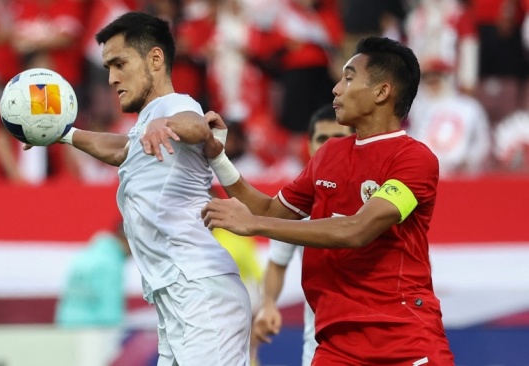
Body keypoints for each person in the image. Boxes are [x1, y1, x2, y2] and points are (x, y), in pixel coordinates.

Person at [201, 36, 455, 365]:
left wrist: (254, 225)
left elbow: (357, 230)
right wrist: (219, 158)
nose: (336, 89)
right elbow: (267, 209)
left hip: (402, 336)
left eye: (349, 78)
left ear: (382, 92)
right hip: (335, 344)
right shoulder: (329, 155)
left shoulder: (414, 159)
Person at [24, 11, 251, 365]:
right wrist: (61, 133)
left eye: (119, 64)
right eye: (107, 68)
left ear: (155, 59)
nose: (112, 78)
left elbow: (197, 126)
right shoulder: (147, 122)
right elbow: (121, 150)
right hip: (176, 295)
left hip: (199, 291)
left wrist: (168, 121)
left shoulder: (173, 106)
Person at [251, 104, 352, 366]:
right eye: (322, 139)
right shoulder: (297, 205)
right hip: (320, 347)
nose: (329, 147)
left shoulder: (374, 197)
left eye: (339, 139)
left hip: (375, 344)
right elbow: (276, 263)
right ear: (309, 146)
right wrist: (269, 304)